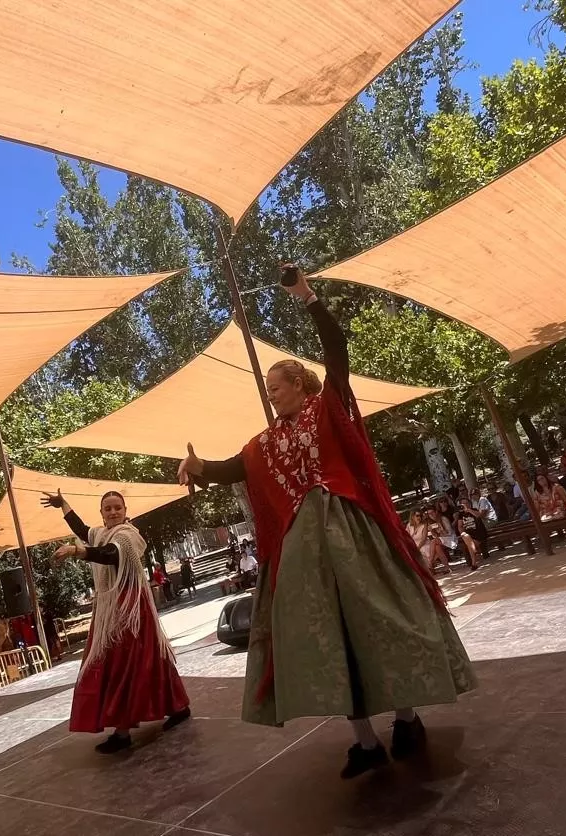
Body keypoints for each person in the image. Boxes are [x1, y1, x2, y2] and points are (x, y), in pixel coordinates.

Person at [178, 266, 473, 780]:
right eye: (268, 389)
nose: (271, 395)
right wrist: (198, 466)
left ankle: (407, 718)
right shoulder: (265, 442)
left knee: (376, 620)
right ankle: (363, 742)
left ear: (299, 383)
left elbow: (337, 348)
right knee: (330, 639)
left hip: (351, 532)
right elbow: (233, 469)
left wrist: (307, 297)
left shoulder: (328, 406)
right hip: (304, 551)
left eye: (276, 386)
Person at [42, 489, 190, 753]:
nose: (112, 512)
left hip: (130, 607)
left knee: (126, 663)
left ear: (125, 511)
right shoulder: (100, 533)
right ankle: (178, 706)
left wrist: (77, 551)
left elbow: (110, 555)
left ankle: (123, 732)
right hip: (110, 606)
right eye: (107, 508)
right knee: (148, 659)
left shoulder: (128, 535)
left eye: (117, 508)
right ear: (101, 512)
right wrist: (63, 505)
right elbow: (83, 529)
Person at [407, 508, 451, 576]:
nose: (419, 517)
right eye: (417, 515)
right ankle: (431, 567)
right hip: (414, 545)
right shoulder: (409, 525)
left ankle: (443, 567)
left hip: (423, 544)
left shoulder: (423, 525)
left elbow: (424, 539)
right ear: (412, 516)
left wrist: (417, 548)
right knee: (435, 547)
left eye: (420, 516)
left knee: (437, 547)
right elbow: (406, 537)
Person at [454, 499, 487, 570]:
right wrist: (462, 532)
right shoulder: (461, 514)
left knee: (469, 544)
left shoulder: (474, 510)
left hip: (478, 534)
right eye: (463, 504)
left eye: (466, 503)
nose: (465, 505)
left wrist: (468, 510)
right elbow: (460, 526)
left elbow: (479, 516)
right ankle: (474, 562)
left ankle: (474, 557)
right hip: (468, 535)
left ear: (469, 504)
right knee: (465, 536)